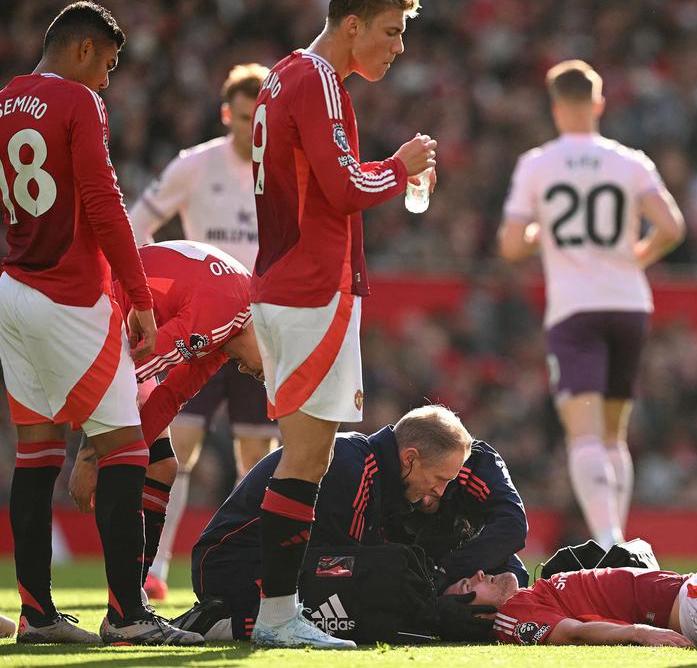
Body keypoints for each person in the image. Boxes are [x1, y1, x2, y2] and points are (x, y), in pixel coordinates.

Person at [0, 1, 201, 646]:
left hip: (12, 286)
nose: (109, 80)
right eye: (108, 64)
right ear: (83, 49)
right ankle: (128, 616)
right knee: (126, 448)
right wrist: (139, 296)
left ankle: (35, 612)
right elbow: (103, 201)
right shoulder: (78, 103)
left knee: (35, 453)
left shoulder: (4, 100)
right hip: (70, 294)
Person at [247, 0, 436, 649]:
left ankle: (271, 608)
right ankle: (274, 614)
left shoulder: (283, 76)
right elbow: (343, 185)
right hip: (309, 287)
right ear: (351, 24)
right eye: (390, 32)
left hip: (289, 282)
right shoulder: (318, 79)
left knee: (303, 455)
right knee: (304, 459)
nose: (398, 47)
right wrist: (402, 164)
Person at [497, 59, 685, 549]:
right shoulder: (630, 161)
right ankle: (617, 539)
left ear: (556, 107)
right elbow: (671, 227)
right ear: (599, 103)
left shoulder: (538, 164)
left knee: (582, 432)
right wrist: (633, 259)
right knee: (613, 433)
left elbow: (512, 245)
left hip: (574, 307)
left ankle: (607, 539)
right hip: (628, 303)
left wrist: (546, 233)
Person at [128, 63, 276, 599]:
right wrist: (148, 283)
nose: (249, 128)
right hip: (200, 318)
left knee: (256, 456)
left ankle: (241, 560)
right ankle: (156, 566)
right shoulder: (196, 165)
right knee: (181, 442)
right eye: (241, 117)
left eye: (258, 118)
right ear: (226, 114)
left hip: (253, 327)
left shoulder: (279, 169)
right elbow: (138, 219)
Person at [176, 406, 492, 641]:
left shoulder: (370, 469)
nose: (438, 492)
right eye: (440, 479)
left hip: (246, 561)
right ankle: (222, 622)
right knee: (352, 605)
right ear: (410, 458)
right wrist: (431, 615)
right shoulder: (353, 468)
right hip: (234, 566)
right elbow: (348, 575)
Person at [64, 241, 264, 603]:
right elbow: (141, 364)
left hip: (116, 328)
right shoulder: (225, 315)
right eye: (265, 370)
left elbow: (169, 397)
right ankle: (124, 607)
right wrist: (91, 454)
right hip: (92, 313)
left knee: (160, 465)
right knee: (117, 462)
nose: (252, 373)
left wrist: (114, 451)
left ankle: (130, 599)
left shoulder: (229, 325)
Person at [445, 478, 697, 649]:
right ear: (475, 616)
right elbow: (573, 633)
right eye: (467, 587)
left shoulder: (530, 596)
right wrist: (643, 633)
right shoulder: (511, 615)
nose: (478, 574)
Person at [386, 439, 531, 588]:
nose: (425, 500)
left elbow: (512, 526)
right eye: (416, 486)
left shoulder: (474, 460)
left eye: (437, 480)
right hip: (417, 569)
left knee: (514, 587)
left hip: (472, 552)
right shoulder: (386, 472)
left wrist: (447, 571)